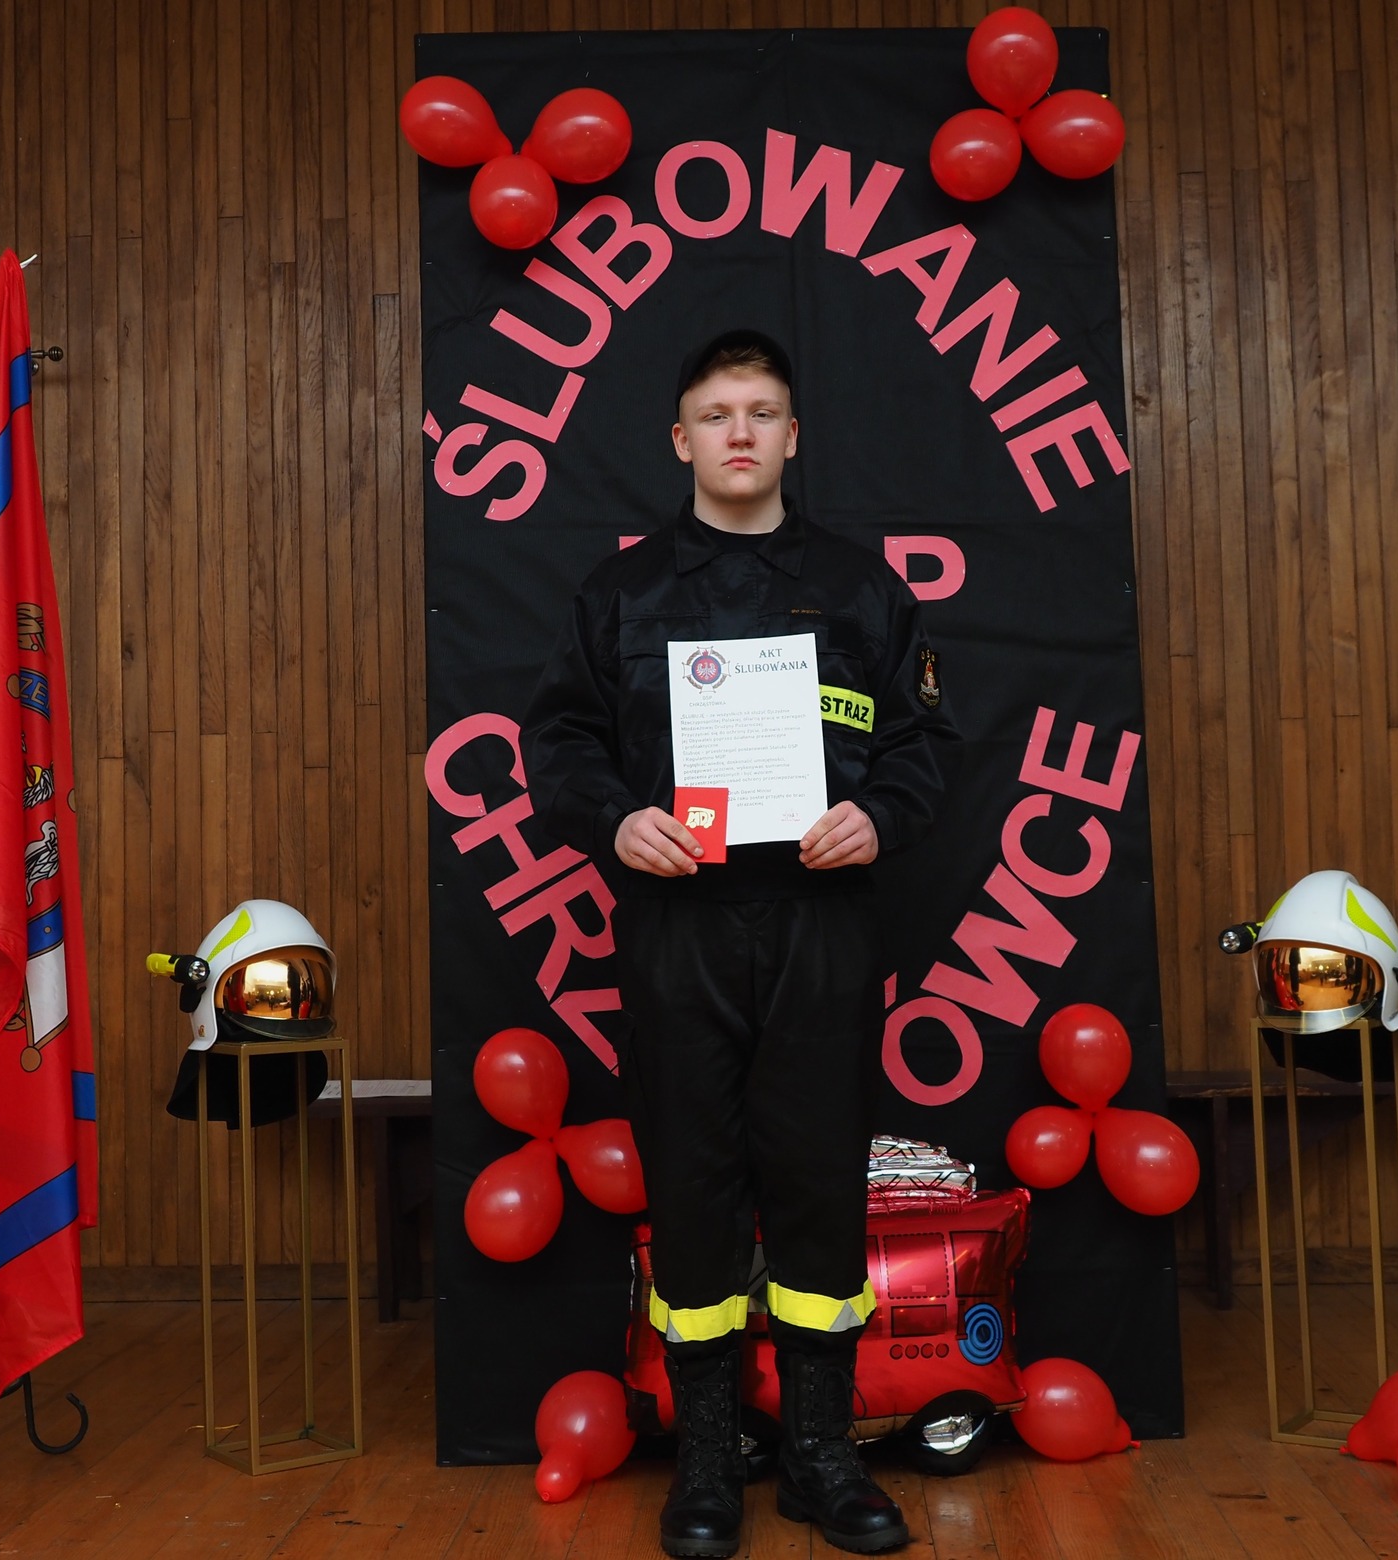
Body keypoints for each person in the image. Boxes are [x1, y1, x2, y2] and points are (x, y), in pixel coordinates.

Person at [521, 329, 958, 1558]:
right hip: (679, 925)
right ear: (680, 440)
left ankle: (821, 1457)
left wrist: (880, 817)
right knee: (693, 1186)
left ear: (791, 435)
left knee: (817, 1182)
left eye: (761, 412)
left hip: (822, 922)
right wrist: (617, 821)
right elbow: (558, 742)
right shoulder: (618, 594)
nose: (739, 434)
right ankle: (705, 1461)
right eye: (716, 415)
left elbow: (925, 742)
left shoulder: (862, 589)